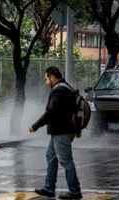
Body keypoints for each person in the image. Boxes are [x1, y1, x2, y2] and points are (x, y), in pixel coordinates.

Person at [29, 66, 82, 199]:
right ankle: (49, 188)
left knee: (66, 161)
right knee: (51, 156)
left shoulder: (59, 91)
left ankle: (75, 191)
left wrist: (35, 126)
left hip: (62, 131)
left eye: (46, 79)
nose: (46, 82)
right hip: (62, 130)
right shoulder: (65, 87)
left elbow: (51, 112)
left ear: (53, 77)